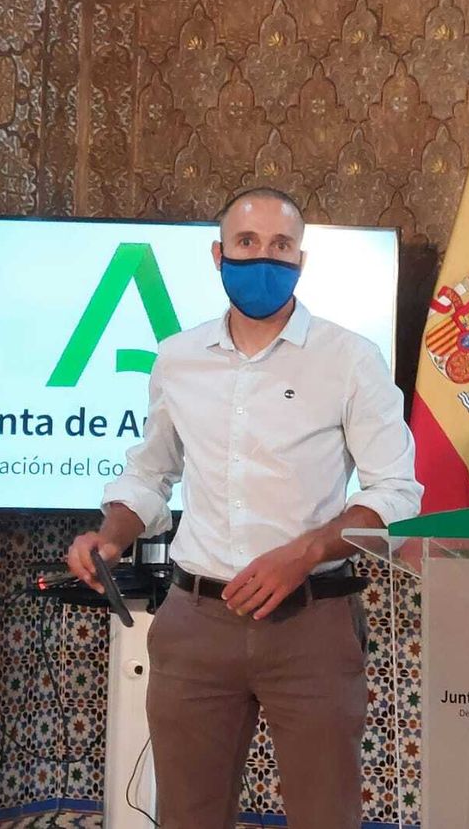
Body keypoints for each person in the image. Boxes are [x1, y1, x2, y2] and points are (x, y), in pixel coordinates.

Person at [64, 187, 422, 829]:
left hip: (311, 622)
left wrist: (305, 551)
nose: (264, 258)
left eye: (281, 246)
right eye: (247, 244)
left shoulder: (350, 359)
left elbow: (396, 493)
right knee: (188, 818)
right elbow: (151, 470)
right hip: (196, 621)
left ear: (302, 260)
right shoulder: (177, 358)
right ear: (218, 254)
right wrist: (111, 534)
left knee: (325, 817)